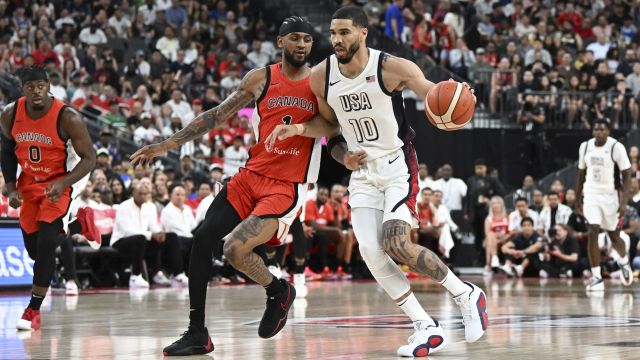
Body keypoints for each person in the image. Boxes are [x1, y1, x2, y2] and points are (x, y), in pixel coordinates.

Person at [267, 7, 487, 357]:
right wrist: (303, 131)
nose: (336, 39)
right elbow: (330, 130)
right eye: (334, 33)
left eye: (344, 32)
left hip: (397, 165)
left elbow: (433, 94)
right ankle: (424, 326)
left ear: (363, 33)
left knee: (395, 242)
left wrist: (456, 93)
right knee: (370, 252)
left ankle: (466, 294)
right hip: (363, 173)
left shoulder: (392, 67)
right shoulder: (321, 76)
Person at [131, 17, 322, 356]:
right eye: (295, 38)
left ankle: (278, 290)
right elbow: (218, 115)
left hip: (286, 185)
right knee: (203, 239)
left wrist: (348, 154)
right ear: (281, 42)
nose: (302, 45)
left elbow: (332, 128)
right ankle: (197, 332)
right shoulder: (261, 78)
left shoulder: (320, 82)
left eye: (307, 39)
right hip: (250, 175)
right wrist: (167, 144)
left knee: (234, 250)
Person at [1, 67, 96, 331]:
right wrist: (10, 187)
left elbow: (90, 158)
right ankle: (79, 225)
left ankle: (32, 309)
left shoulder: (68, 117)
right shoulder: (10, 114)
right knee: (34, 250)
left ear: (48, 86)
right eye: (30, 87)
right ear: (23, 90)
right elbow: (7, 151)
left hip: (65, 177)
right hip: (30, 181)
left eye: (41, 85)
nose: (36, 91)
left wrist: (64, 182)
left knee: (45, 246)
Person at [576, 119, 633, 291]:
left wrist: (624, 202)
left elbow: (627, 176)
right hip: (591, 194)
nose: (598, 132)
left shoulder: (617, 147)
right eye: (595, 129)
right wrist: (578, 197)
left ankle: (623, 261)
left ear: (608, 131)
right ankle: (596, 277)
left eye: (602, 129)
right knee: (592, 231)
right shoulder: (585, 147)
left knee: (614, 235)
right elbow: (581, 173)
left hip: (610, 196)